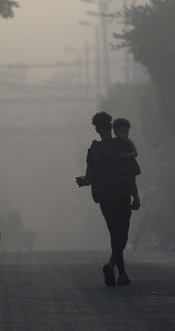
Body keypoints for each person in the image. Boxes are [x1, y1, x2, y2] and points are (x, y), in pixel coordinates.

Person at [76, 112, 138, 287]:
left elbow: (88, 180)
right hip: (123, 195)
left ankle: (120, 272)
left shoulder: (93, 151)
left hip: (105, 199)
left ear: (96, 129)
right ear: (111, 127)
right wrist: (137, 196)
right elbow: (132, 173)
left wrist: (81, 181)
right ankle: (115, 269)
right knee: (122, 235)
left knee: (114, 234)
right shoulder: (122, 144)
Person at [112, 118, 141, 211]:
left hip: (129, 168)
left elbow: (134, 152)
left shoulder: (128, 142)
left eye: (126, 131)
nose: (124, 134)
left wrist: (130, 154)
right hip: (120, 171)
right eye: (122, 132)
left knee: (132, 182)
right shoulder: (115, 143)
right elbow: (120, 155)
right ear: (116, 132)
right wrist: (130, 155)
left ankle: (136, 199)